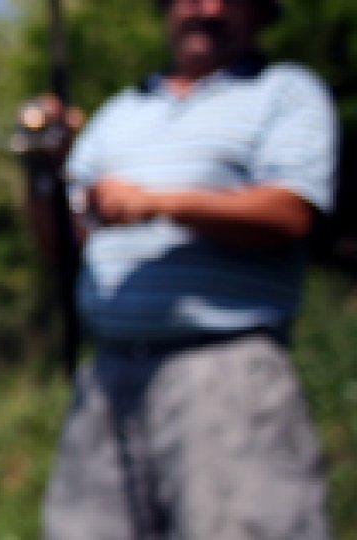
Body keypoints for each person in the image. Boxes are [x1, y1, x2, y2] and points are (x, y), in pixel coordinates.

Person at [33, 0, 338, 538]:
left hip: (226, 375)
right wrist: (40, 169)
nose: (207, 8)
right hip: (107, 379)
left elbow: (292, 212)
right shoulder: (119, 113)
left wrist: (158, 204)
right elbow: (63, 243)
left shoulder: (287, 93)